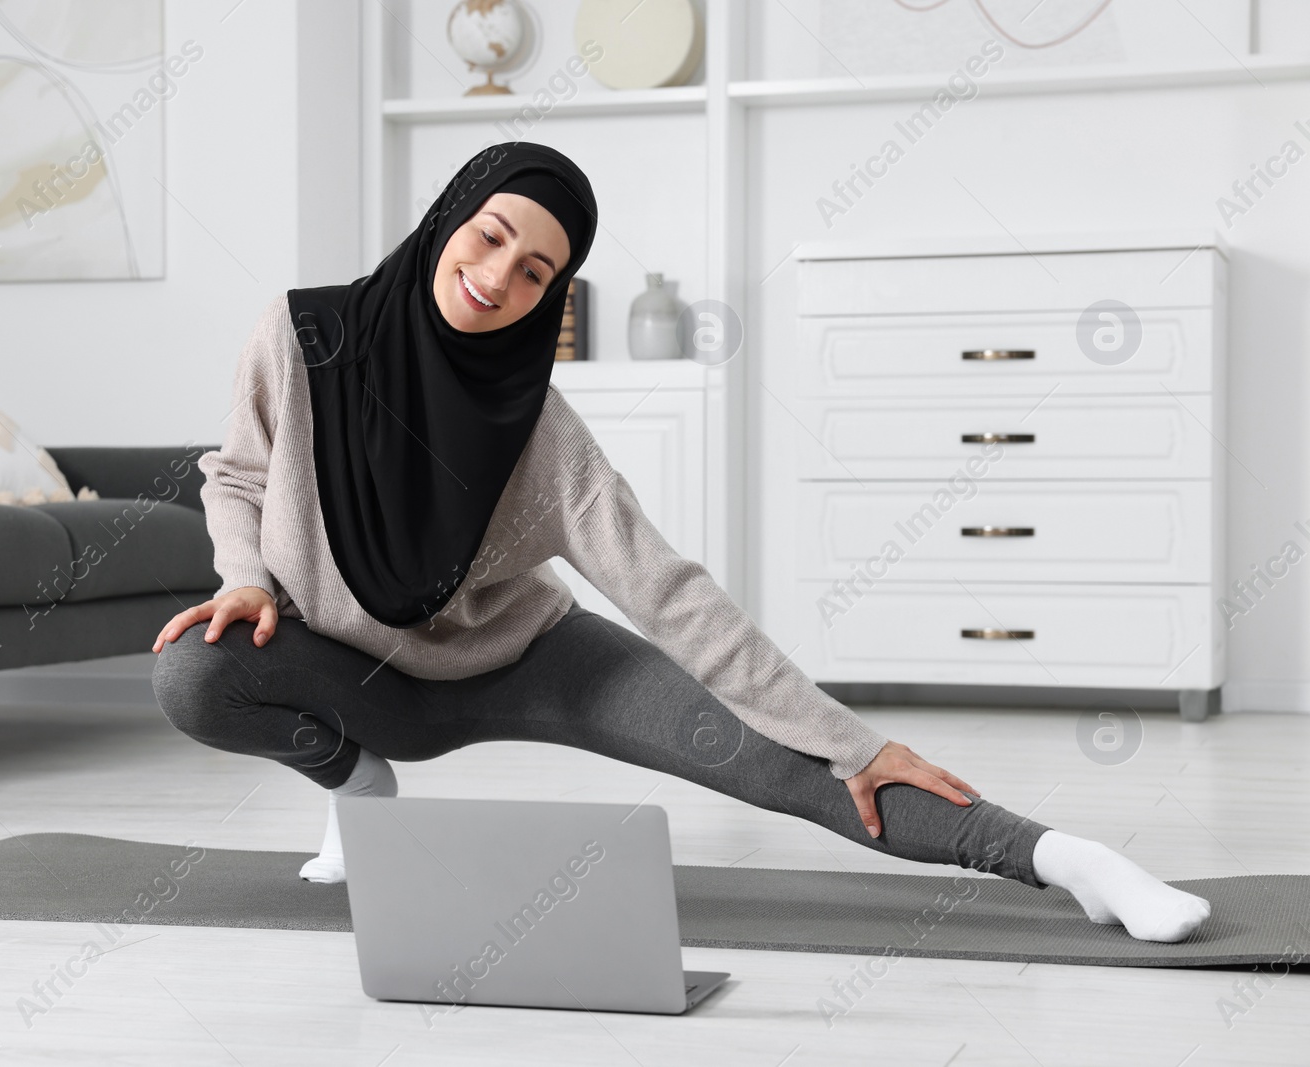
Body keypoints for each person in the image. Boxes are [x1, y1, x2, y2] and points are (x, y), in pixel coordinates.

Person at [150, 141, 1210, 944]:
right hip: (357, 670)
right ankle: (355, 787)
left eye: (535, 271)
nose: (498, 276)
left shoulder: (540, 434)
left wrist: (851, 740)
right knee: (195, 674)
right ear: (447, 221)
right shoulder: (302, 337)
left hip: (524, 662)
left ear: (551, 296)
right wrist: (245, 574)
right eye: (490, 236)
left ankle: (1071, 861)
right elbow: (238, 472)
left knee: (783, 760)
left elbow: (666, 589)